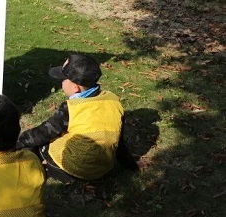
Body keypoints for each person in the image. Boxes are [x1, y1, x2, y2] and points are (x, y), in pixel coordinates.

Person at [16, 53, 137, 182]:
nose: (61, 82)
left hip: (72, 169)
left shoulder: (72, 108)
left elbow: (43, 133)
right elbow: (119, 142)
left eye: (63, 80)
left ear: (75, 87)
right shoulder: (113, 101)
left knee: (35, 145)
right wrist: (132, 165)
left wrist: (18, 142)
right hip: (101, 169)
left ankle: (31, 169)